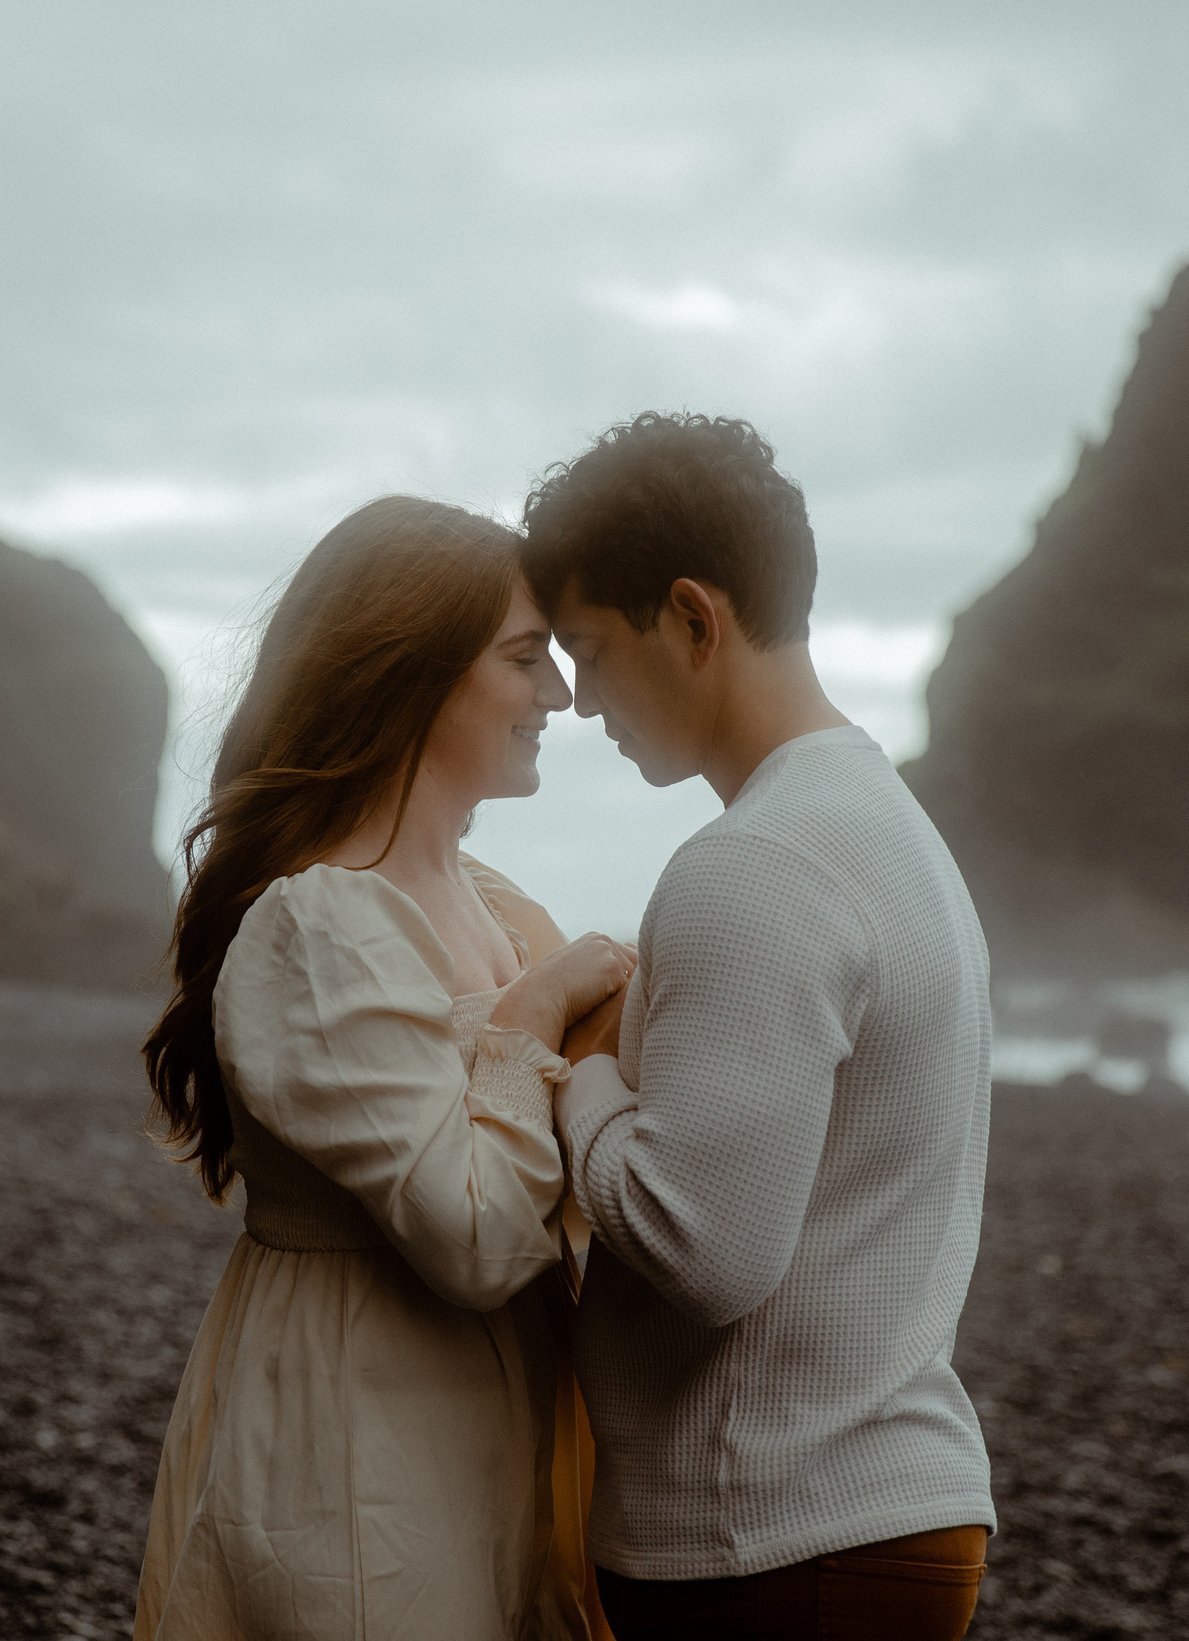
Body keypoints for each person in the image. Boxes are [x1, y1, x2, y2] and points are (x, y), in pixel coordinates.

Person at [522, 414, 997, 1640]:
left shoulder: (757, 865)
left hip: (774, 1542)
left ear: (691, 618)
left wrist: (574, 1077)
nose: (576, 703)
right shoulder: (884, 828)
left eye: (587, 647)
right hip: (860, 1517)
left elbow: (704, 1253)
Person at [135, 495, 630, 1641]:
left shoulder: (499, 906)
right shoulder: (317, 926)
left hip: (486, 1406)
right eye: (522, 659)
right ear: (413, 677)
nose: (558, 693)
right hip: (358, 1421)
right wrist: (540, 1008)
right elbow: (473, 1237)